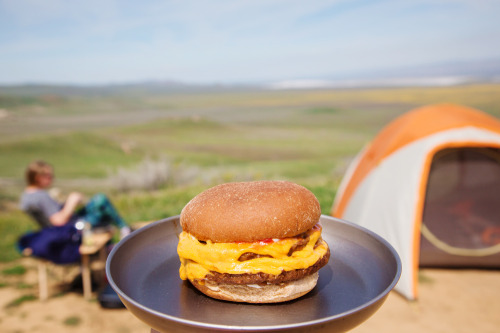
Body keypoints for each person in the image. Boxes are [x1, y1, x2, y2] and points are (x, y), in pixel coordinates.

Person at [19, 160, 131, 238]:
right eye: (49, 176)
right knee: (101, 201)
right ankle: (124, 229)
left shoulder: (27, 196)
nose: (52, 178)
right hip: (73, 228)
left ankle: (122, 231)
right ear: (38, 178)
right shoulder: (40, 196)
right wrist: (71, 203)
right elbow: (58, 221)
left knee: (99, 204)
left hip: (65, 226)